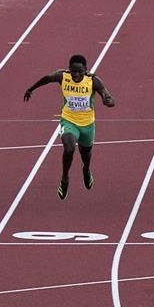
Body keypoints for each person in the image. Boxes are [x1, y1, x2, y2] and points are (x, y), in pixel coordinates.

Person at [24, 55, 114, 200]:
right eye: (73, 72)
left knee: (86, 155)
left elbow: (106, 94)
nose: (76, 75)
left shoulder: (93, 80)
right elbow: (47, 78)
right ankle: (65, 178)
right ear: (69, 69)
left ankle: (86, 170)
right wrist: (31, 89)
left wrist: (108, 100)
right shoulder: (63, 76)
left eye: (79, 72)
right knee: (69, 148)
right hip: (68, 121)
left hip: (87, 124)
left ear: (86, 69)